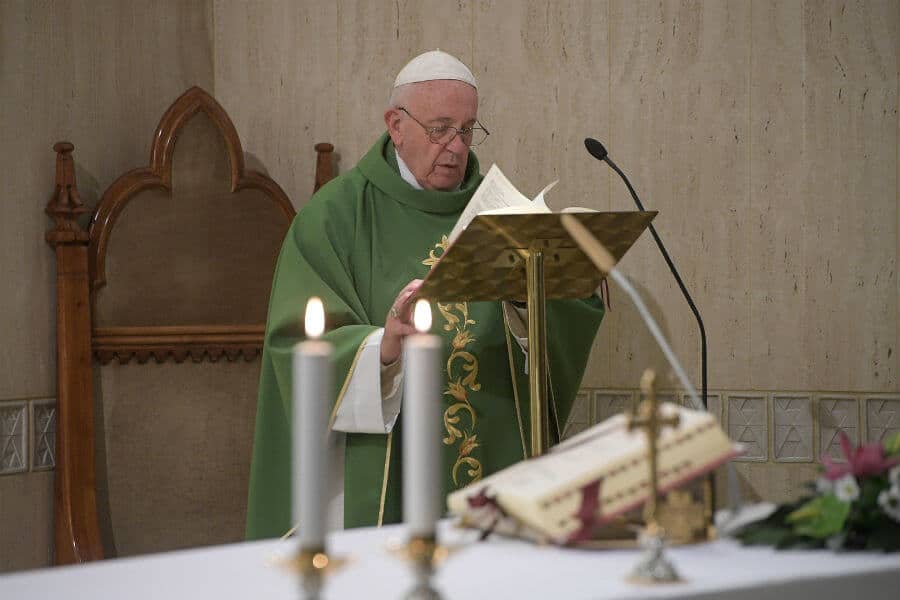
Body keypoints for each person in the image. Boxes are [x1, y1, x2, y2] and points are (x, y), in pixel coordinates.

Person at [245, 50, 604, 539]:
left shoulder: (501, 214)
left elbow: (571, 312)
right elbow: (295, 343)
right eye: (440, 129)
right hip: (385, 475)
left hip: (493, 458)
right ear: (396, 125)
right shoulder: (334, 216)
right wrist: (383, 347)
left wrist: (528, 299)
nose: (456, 146)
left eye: (468, 129)